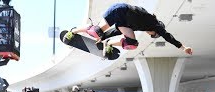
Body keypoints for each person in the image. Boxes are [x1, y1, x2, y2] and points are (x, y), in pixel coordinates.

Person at [63, 3, 192, 56]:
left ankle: (108, 45)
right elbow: (167, 36)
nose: (151, 35)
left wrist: (104, 39)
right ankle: (73, 31)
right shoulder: (154, 24)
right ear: (156, 31)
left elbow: (118, 30)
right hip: (119, 10)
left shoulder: (141, 26)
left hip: (123, 20)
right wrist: (182, 47)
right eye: (154, 35)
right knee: (96, 32)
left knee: (132, 43)